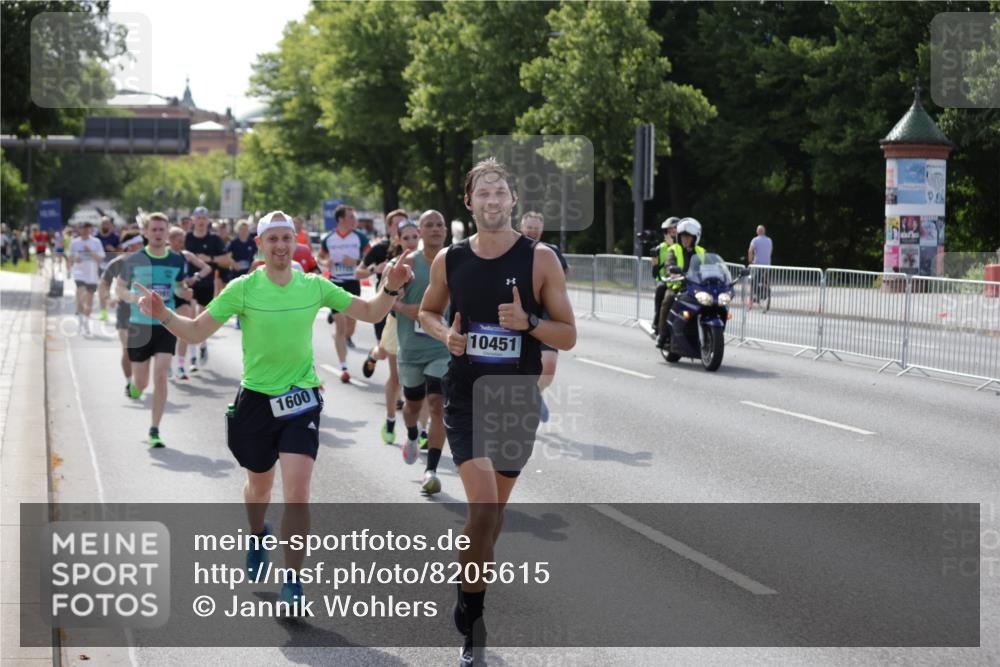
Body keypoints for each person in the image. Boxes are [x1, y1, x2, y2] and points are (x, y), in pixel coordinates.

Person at [135, 210, 413, 607]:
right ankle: (256, 533)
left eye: (287, 238)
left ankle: (294, 581)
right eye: (273, 239)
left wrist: (390, 288)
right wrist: (163, 314)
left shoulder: (314, 285)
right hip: (256, 402)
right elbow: (197, 331)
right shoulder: (243, 288)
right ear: (261, 245)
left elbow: (368, 312)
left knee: (297, 493)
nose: (281, 245)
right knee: (259, 488)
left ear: (295, 243)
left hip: (301, 400)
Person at [419, 158, 576, 666]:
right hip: (465, 397)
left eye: (500, 192)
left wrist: (528, 322)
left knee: (494, 517)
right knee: (483, 509)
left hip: (514, 400)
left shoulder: (541, 259)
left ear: (513, 200)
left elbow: (568, 335)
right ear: (469, 202)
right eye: (482, 192)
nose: (491, 200)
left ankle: (469, 579)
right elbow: (427, 312)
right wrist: (449, 336)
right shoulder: (450, 259)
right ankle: (475, 619)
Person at [116, 213, 189, 447]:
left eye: (162, 230)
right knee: (142, 383)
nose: (158, 234)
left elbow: (178, 286)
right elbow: (119, 289)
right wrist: (135, 298)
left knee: (161, 375)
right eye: (154, 230)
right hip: (139, 325)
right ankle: (135, 388)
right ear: (146, 233)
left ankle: (154, 429)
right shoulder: (134, 259)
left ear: (168, 233)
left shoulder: (176, 260)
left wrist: (184, 293)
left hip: (166, 323)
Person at [393, 210, 450, 495]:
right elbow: (387, 297)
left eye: (440, 224)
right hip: (411, 349)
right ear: (421, 232)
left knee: (438, 404)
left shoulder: (455, 262)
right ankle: (413, 435)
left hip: (442, 346)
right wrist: (404, 307)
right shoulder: (408, 264)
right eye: (429, 225)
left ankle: (432, 470)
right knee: (413, 407)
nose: (436, 228)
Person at [371, 220, 419, 446]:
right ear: (398, 240)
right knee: (398, 377)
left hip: (420, 325)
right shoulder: (392, 265)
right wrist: (395, 293)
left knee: (426, 380)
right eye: (406, 237)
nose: (411, 242)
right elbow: (380, 297)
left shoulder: (430, 263)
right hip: (396, 324)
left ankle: (421, 429)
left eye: (414, 236)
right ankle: (390, 419)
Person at [518, 212, 569, 423]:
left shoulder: (551, 252)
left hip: (547, 315)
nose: (532, 230)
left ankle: (533, 395)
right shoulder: (513, 249)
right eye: (529, 227)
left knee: (548, 368)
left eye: (536, 227)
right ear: (521, 227)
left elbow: (565, 272)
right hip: (520, 315)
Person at [318, 205, 370, 383]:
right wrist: (327, 261)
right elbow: (320, 257)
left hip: (353, 281)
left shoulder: (360, 237)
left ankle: (345, 334)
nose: (353, 220)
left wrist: (355, 261)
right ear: (340, 219)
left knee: (350, 326)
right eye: (350, 217)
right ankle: (344, 367)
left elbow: (370, 258)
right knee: (340, 325)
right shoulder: (329, 238)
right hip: (335, 283)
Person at [357, 208, 407, 378]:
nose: (401, 227)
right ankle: (373, 354)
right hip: (383, 305)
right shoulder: (380, 248)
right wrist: (374, 268)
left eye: (404, 223)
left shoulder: (413, 248)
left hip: (404, 308)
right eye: (397, 224)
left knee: (403, 351)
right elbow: (359, 272)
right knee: (384, 352)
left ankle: (402, 393)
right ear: (389, 228)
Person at [184, 206, 230, 370]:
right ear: (193, 220)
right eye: (199, 218)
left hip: (207, 283)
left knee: (201, 320)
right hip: (188, 283)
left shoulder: (215, 239)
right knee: (189, 318)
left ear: (208, 220)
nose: (201, 221)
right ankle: (193, 357)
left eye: (204, 218)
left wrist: (209, 258)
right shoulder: (187, 238)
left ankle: (202, 345)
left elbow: (227, 260)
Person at [99, 231, 145, 395]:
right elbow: (103, 284)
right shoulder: (117, 264)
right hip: (125, 310)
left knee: (144, 350)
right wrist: (108, 298)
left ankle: (142, 378)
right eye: (138, 245)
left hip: (145, 311)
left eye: (142, 244)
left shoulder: (148, 261)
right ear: (128, 247)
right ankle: (129, 382)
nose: (141, 247)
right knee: (127, 349)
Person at [167, 226, 213, 379]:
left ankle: (181, 365)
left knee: (184, 330)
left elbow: (207, 268)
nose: (182, 244)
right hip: (166, 296)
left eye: (183, 241)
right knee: (166, 332)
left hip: (182, 295)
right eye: (179, 241)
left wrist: (195, 278)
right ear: (171, 240)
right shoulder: (164, 255)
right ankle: (167, 364)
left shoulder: (185, 255)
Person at [656, 217, 706, 350]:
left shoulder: (701, 252)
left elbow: (709, 266)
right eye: (683, 236)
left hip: (696, 288)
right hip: (678, 287)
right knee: (668, 298)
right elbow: (669, 264)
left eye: (688, 236)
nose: (685, 239)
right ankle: (663, 334)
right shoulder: (674, 249)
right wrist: (673, 273)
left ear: (695, 237)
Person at [68, 222, 106, 335]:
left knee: (89, 301)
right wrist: (75, 259)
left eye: (87, 229)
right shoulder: (75, 242)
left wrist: (90, 252)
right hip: (79, 273)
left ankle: (86, 322)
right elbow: (70, 257)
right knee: (80, 295)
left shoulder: (96, 242)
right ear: (79, 230)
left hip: (92, 275)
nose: (85, 231)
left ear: (91, 230)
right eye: (83, 228)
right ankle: (80, 321)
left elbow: (100, 259)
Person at [651, 217, 679, 336]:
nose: (673, 235)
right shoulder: (659, 249)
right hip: (665, 281)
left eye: (675, 233)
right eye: (670, 232)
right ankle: (657, 323)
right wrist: (655, 261)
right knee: (661, 291)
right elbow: (654, 273)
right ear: (665, 233)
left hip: (681, 282)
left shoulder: (683, 248)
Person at [96, 217, 121, 321]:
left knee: (118, 288)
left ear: (111, 225)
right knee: (102, 289)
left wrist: (113, 249)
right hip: (100, 266)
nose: (104, 226)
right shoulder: (95, 238)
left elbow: (121, 251)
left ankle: (121, 309)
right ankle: (103, 312)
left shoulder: (116, 237)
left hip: (114, 266)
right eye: (103, 223)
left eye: (106, 224)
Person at [747, 224, 773, 308]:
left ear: (757, 231)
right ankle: (767, 293)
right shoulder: (769, 240)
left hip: (757, 264)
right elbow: (771, 251)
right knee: (766, 280)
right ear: (764, 231)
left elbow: (750, 251)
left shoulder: (755, 240)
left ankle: (751, 301)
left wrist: (750, 261)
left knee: (752, 281)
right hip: (767, 265)